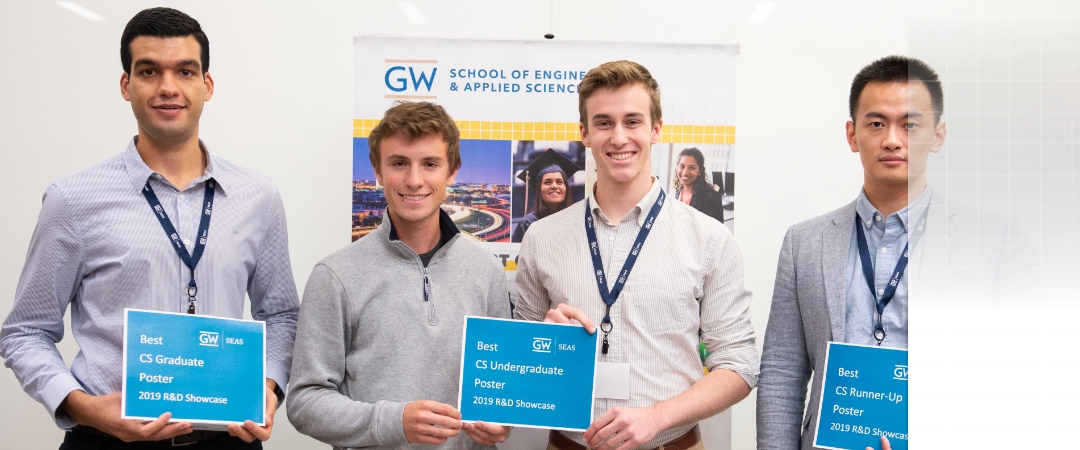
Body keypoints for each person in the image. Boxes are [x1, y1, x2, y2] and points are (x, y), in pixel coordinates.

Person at [0, 7, 299, 448]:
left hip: (227, 438)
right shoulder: (72, 199)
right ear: (126, 84)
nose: (167, 87)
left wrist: (269, 388)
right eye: (148, 71)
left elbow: (282, 315)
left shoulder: (259, 196)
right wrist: (79, 404)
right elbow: (26, 332)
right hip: (107, 438)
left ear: (206, 84)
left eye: (184, 70)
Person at [756, 55, 1033, 450]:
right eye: (876, 123)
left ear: (938, 136)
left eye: (910, 124)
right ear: (852, 135)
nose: (891, 139)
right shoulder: (805, 242)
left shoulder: (995, 240)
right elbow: (782, 370)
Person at [514, 60, 758, 450]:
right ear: (585, 133)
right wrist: (541, 339)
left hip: (671, 443)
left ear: (655, 129)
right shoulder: (542, 237)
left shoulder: (709, 237)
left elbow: (740, 365)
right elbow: (521, 363)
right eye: (604, 123)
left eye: (632, 121)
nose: (619, 137)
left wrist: (658, 416)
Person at [287, 101, 512, 450]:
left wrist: (502, 423)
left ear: (452, 171)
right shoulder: (334, 275)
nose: (414, 180)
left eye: (430, 164)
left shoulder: (487, 272)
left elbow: (502, 387)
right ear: (378, 171)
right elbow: (304, 402)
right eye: (399, 164)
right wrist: (394, 422)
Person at [511, 148, 581, 242]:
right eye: (547, 182)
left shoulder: (576, 222)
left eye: (559, 182)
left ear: (566, 189)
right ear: (539, 190)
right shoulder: (529, 223)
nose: (554, 186)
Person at [673, 147, 725, 223]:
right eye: (682, 166)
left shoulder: (712, 197)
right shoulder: (678, 192)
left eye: (691, 168)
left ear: (699, 171)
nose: (685, 172)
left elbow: (717, 231)